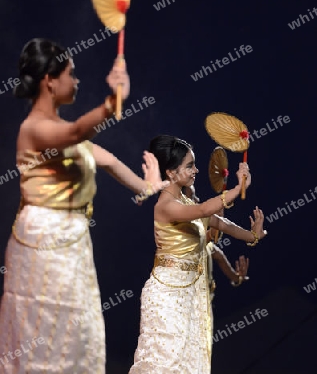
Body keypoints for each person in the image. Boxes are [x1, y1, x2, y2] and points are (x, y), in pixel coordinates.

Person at [0, 38, 168, 374]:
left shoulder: (68, 134)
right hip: (42, 241)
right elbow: (77, 131)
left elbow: (106, 160)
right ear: (50, 79)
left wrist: (149, 186)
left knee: (77, 333)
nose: (76, 81)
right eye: (70, 74)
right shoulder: (34, 130)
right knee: (44, 331)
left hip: (73, 244)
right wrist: (112, 100)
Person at [129, 135, 266, 374]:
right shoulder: (165, 206)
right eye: (190, 165)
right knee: (163, 365)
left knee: (189, 366)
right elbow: (204, 209)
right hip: (166, 297)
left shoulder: (184, 200)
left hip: (190, 297)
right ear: (171, 173)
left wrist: (252, 236)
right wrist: (238, 188)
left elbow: (219, 221)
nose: (196, 170)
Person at [183, 185, 250, 300]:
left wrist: (237, 278)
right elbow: (211, 237)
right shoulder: (179, 236)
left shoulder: (204, 240)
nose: (198, 200)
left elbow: (220, 257)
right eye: (193, 197)